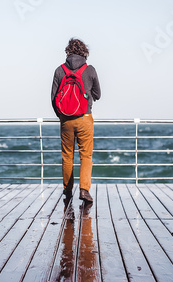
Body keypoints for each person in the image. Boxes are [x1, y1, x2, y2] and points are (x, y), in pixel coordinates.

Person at [51, 38, 101, 203]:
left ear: (68, 51)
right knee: (85, 156)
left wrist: (63, 116)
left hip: (66, 120)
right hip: (85, 117)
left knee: (67, 156)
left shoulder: (60, 70)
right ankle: (84, 190)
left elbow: (53, 98)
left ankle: (67, 190)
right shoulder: (90, 70)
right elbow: (98, 94)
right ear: (84, 52)